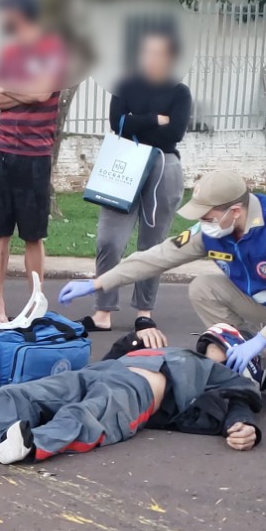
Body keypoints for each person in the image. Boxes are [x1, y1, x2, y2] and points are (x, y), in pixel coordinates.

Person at [59, 169, 266, 412]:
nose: (202, 221)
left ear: (234, 211)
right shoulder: (215, 228)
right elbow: (159, 256)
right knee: (204, 288)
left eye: (207, 215)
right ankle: (261, 369)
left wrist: (261, 339)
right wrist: (98, 282)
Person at [0, 326, 262, 464]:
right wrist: (134, 337)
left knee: (89, 414)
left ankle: (31, 445)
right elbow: (113, 355)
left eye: (222, 344)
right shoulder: (176, 350)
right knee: (23, 393)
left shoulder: (223, 377)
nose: (212, 343)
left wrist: (244, 427)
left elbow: (238, 405)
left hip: (136, 392)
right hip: (100, 373)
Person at [92, 26, 191, 334]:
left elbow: (174, 133)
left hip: (164, 166)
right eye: (147, 52)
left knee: (153, 244)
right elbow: (117, 124)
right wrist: (154, 120)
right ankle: (103, 310)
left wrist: (138, 124)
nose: (151, 58)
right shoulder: (125, 85)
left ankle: (144, 310)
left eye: (159, 53)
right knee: (109, 239)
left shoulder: (178, 92)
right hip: (123, 163)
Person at [0, 0, 68, 321]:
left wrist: (9, 90)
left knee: (33, 235)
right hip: (2, 150)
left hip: (35, 155)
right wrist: (23, 93)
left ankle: (35, 303)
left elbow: (42, 91)